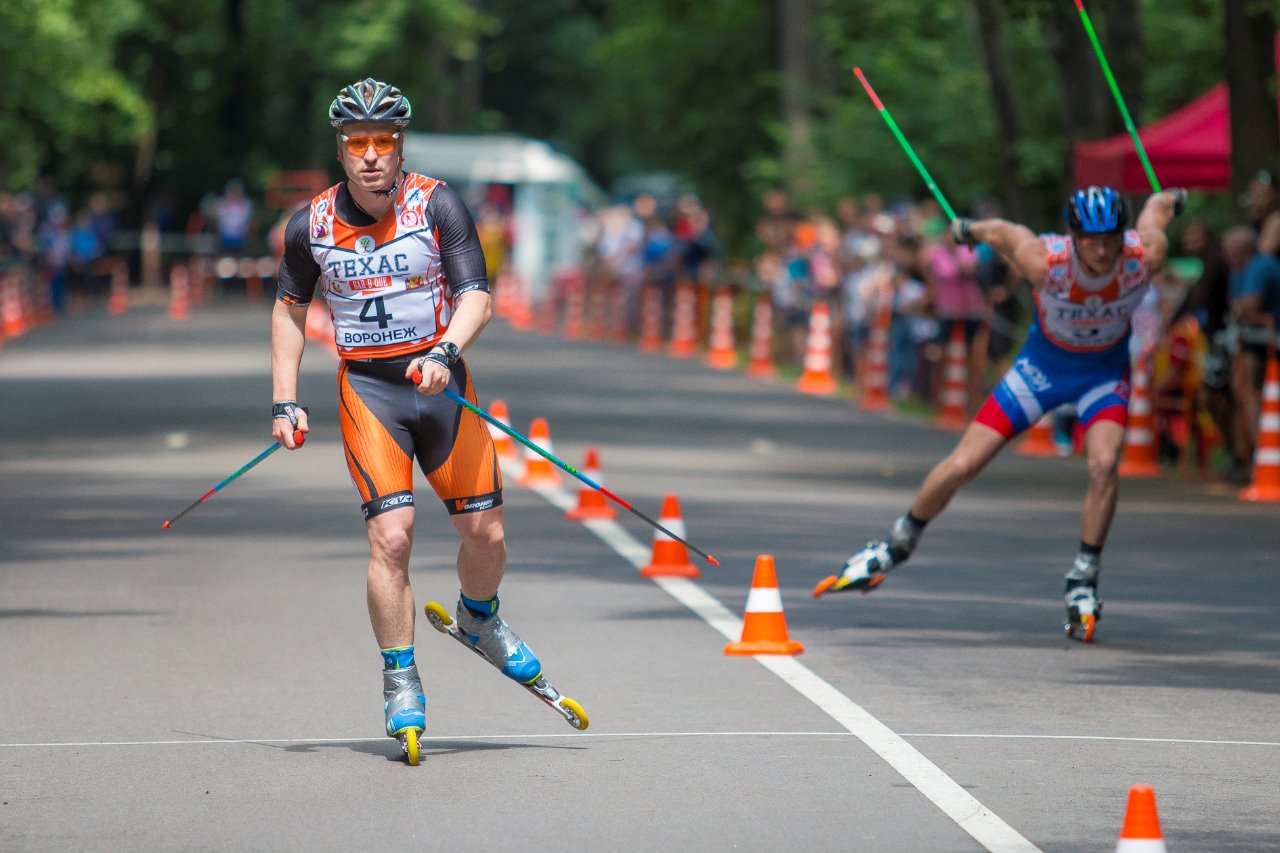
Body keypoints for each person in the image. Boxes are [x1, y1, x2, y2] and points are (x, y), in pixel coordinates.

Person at [270, 78, 545, 756]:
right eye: (357, 142)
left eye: (383, 142)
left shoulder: (437, 204)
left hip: (440, 382)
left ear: (400, 148)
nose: (370, 156)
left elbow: (477, 295)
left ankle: (479, 619)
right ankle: (400, 676)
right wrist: (285, 397)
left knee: (486, 535)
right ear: (340, 149)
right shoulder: (311, 225)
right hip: (371, 390)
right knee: (392, 537)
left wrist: (446, 349)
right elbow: (288, 310)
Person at [813, 185, 1185, 642]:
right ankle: (896, 545)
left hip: (1102, 375)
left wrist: (1172, 198)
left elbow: (1157, 210)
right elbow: (1006, 233)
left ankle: (1083, 576)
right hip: (1041, 369)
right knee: (965, 463)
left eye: (1110, 237)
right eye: (1090, 239)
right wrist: (970, 229)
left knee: (1104, 464)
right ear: (1072, 237)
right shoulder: (1043, 261)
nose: (1103, 248)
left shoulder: (1142, 256)